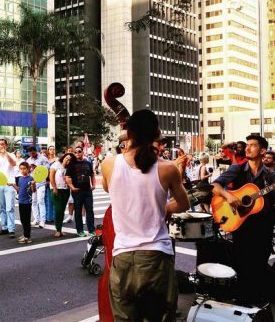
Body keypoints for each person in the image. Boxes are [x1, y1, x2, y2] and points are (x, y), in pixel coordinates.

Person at [101, 109, 190, 321]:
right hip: (155, 257)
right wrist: (165, 208)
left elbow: (108, 189)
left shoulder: (109, 164)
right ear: (156, 134)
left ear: (128, 133)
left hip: (122, 258)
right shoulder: (167, 168)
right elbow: (183, 203)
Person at [212, 135, 275, 304]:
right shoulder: (237, 169)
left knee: (259, 265)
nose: (247, 148)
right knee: (241, 264)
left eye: (252, 145)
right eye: (247, 145)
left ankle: (256, 302)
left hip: (263, 228)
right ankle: (243, 301)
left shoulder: (271, 177)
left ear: (262, 151)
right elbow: (215, 186)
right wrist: (228, 196)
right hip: (241, 226)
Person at [65, 146, 96, 237]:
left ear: (82, 152)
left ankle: (91, 230)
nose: (78, 153)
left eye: (79, 151)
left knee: (90, 210)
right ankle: (80, 230)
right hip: (77, 191)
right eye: (76, 152)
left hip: (87, 191)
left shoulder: (88, 163)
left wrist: (93, 185)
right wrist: (72, 187)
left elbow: (92, 175)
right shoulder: (72, 164)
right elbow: (67, 177)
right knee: (78, 211)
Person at [0, 139, 17, 238]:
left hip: (9, 183)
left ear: (6, 145)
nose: (0, 146)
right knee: (1, 207)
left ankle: (11, 229)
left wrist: (5, 153)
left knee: (9, 207)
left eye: (2, 144)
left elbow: (13, 163)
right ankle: (4, 227)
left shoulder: (11, 155)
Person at [50, 153, 75, 237]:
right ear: (64, 157)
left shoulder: (69, 168)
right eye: (66, 158)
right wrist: (54, 188)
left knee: (62, 210)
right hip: (56, 189)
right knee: (58, 209)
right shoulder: (57, 164)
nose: (67, 160)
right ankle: (57, 229)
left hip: (66, 190)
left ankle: (60, 229)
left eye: (69, 160)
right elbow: (51, 176)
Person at [10, 162, 35, 244]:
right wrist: (13, 185)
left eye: (24, 168)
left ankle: (27, 237)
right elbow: (19, 190)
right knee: (22, 220)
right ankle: (25, 234)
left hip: (27, 202)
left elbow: (33, 191)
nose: (22, 170)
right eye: (21, 169)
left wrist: (33, 185)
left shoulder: (31, 178)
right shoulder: (20, 179)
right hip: (21, 201)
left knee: (26, 220)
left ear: (28, 169)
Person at [27, 146, 49, 228]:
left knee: (41, 201)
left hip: (41, 182)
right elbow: (26, 172)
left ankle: (42, 221)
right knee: (34, 201)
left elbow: (47, 169)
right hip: (32, 183)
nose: (31, 154)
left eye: (33, 152)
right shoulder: (28, 160)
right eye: (30, 153)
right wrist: (29, 169)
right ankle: (36, 219)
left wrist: (36, 168)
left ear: (36, 151)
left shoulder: (43, 158)